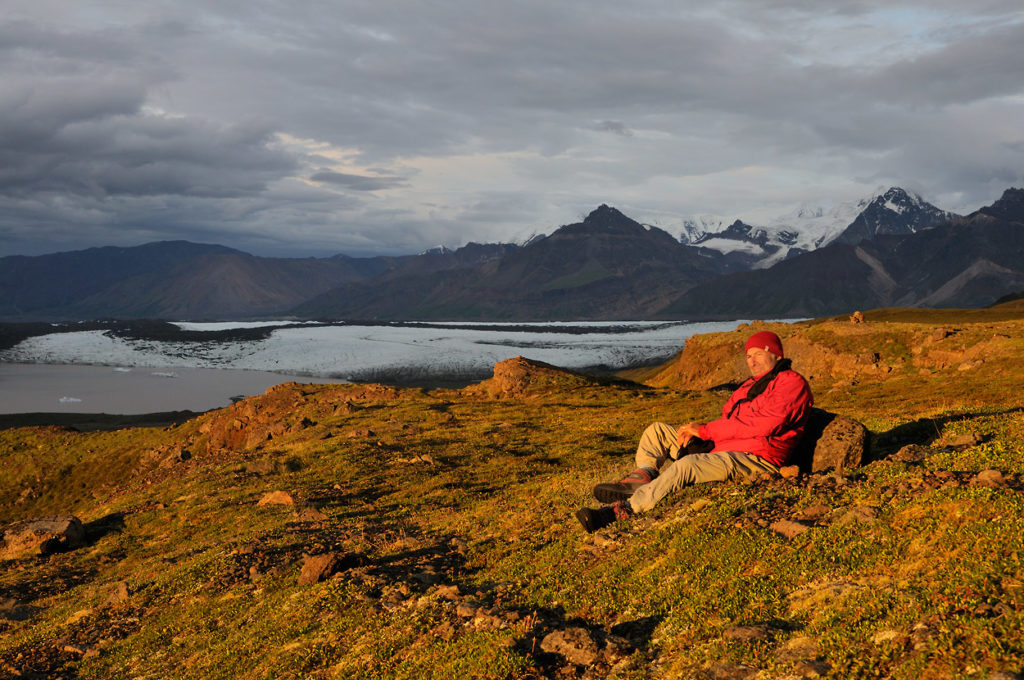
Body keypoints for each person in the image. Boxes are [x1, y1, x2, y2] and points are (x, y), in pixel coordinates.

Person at [576, 330, 813, 533]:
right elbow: (731, 420)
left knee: (686, 466)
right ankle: (643, 476)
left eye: (758, 354)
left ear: (776, 353)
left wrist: (706, 431)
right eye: (748, 356)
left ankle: (623, 509)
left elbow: (764, 425)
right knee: (656, 431)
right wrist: (698, 434)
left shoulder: (791, 383)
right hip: (723, 448)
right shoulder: (749, 386)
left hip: (756, 459)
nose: (751, 361)